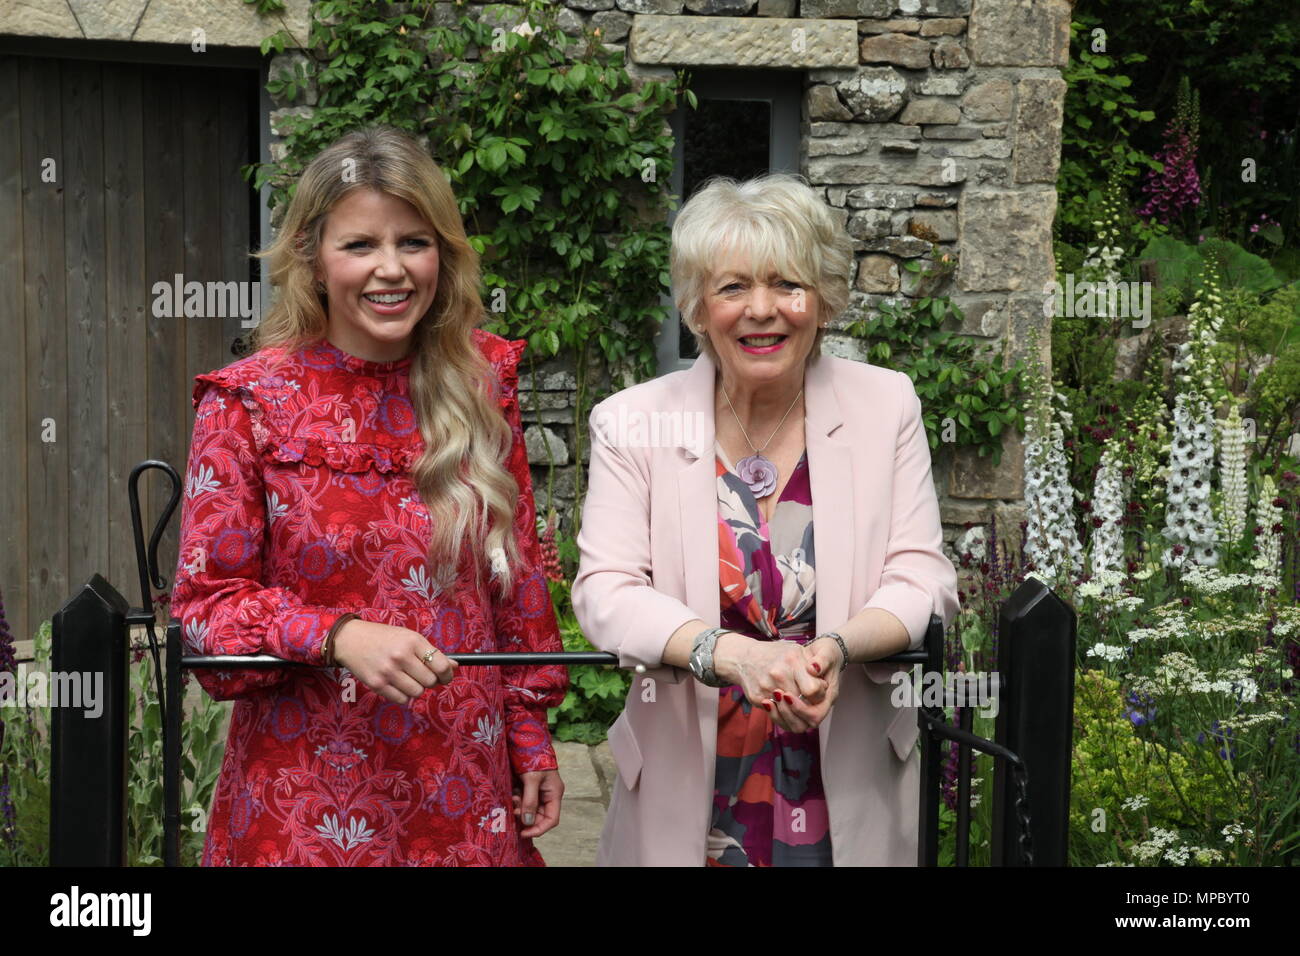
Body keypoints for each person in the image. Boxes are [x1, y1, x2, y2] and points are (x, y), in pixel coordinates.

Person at [170, 125, 567, 866]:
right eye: (359, 245)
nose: (391, 269)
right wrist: (337, 636)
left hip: (462, 779)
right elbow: (205, 607)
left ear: (442, 255)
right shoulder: (249, 403)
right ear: (313, 262)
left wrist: (529, 730)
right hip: (306, 792)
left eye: (413, 242)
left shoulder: (482, 385)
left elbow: (515, 581)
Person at [571, 173, 960, 866]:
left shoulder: (885, 405)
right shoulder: (633, 422)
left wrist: (835, 647)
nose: (763, 310)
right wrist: (736, 656)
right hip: (686, 782)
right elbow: (606, 590)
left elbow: (922, 575)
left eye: (788, 284)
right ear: (696, 306)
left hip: (849, 779)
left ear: (824, 299)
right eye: (732, 288)